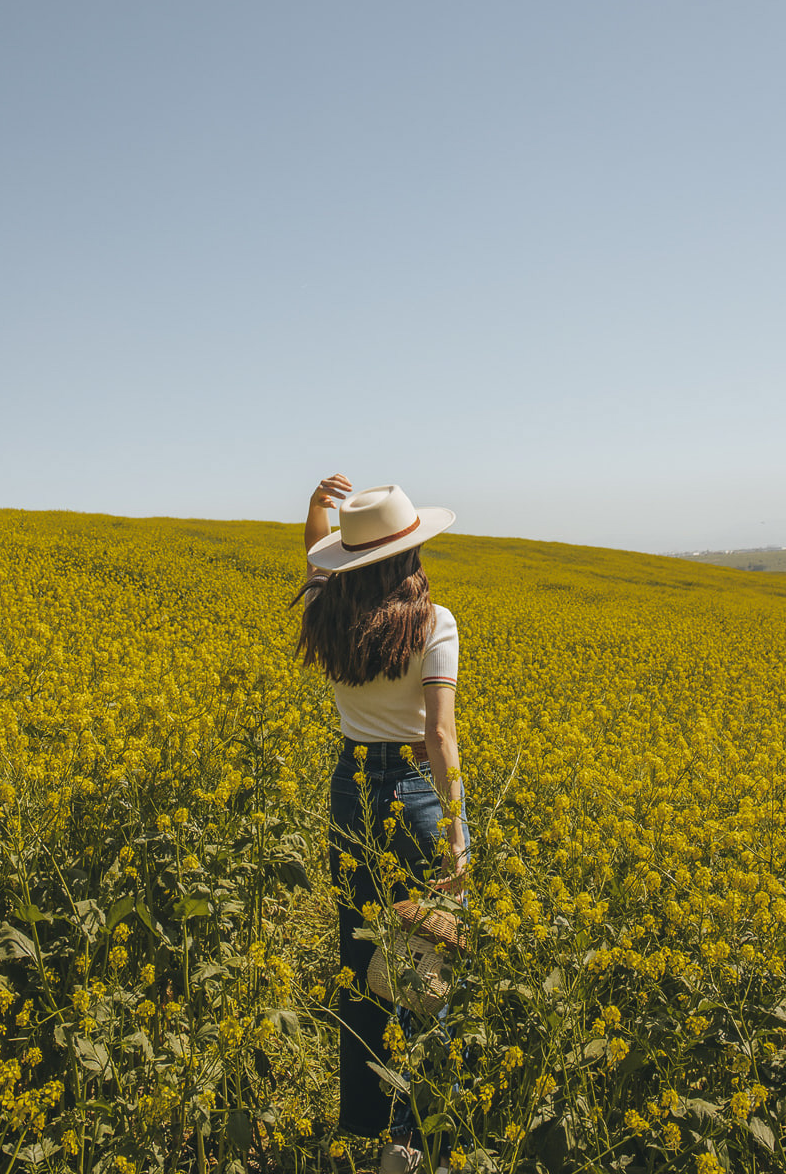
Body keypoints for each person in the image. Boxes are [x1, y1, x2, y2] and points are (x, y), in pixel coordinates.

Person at [295, 475, 468, 1174]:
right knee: (427, 960)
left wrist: (316, 509)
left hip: (350, 788)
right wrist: (459, 832)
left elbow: (316, 561)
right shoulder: (434, 622)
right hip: (417, 792)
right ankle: (417, 1136)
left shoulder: (327, 612)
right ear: (412, 551)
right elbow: (440, 734)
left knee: (362, 955)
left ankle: (367, 1123)